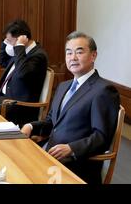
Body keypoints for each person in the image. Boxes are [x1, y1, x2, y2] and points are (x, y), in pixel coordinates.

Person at [21, 31, 120, 184]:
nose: (73, 58)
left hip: (75, 166)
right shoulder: (63, 86)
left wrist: (72, 149)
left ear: (93, 56)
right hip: (48, 154)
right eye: (69, 53)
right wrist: (30, 126)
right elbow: (52, 122)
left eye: (79, 52)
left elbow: (101, 137)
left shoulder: (103, 91)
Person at [0, 19, 48, 126]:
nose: (9, 44)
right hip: (4, 101)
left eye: (10, 41)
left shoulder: (38, 55)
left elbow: (22, 73)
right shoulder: (20, 52)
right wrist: (6, 42)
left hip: (18, 107)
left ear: (22, 39)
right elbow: (3, 62)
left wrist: (19, 47)